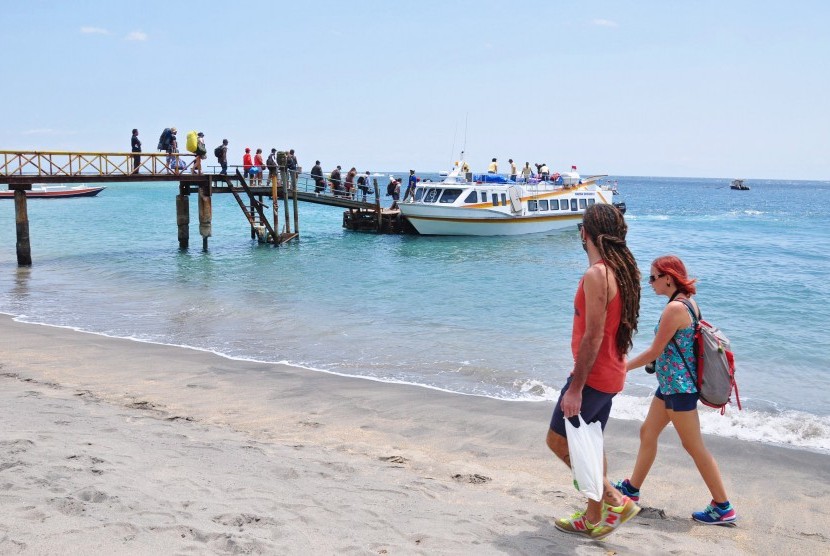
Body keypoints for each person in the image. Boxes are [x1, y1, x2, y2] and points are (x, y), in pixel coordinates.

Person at [616, 255, 737, 526]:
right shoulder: (688, 303)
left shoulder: (675, 309)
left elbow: (654, 351)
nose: (650, 283)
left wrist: (621, 367)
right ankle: (631, 490)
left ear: (668, 277)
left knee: (694, 446)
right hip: (671, 385)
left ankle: (723, 506)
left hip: (680, 389)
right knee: (648, 432)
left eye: (653, 277)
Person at [546, 203, 642, 540]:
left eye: (580, 228)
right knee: (590, 445)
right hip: (611, 373)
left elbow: (594, 334)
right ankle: (591, 517)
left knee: (558, 440)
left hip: (595, 376)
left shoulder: (597, 274)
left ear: (585, 233)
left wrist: (576, 387)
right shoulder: (618, 271)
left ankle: (616, 501)